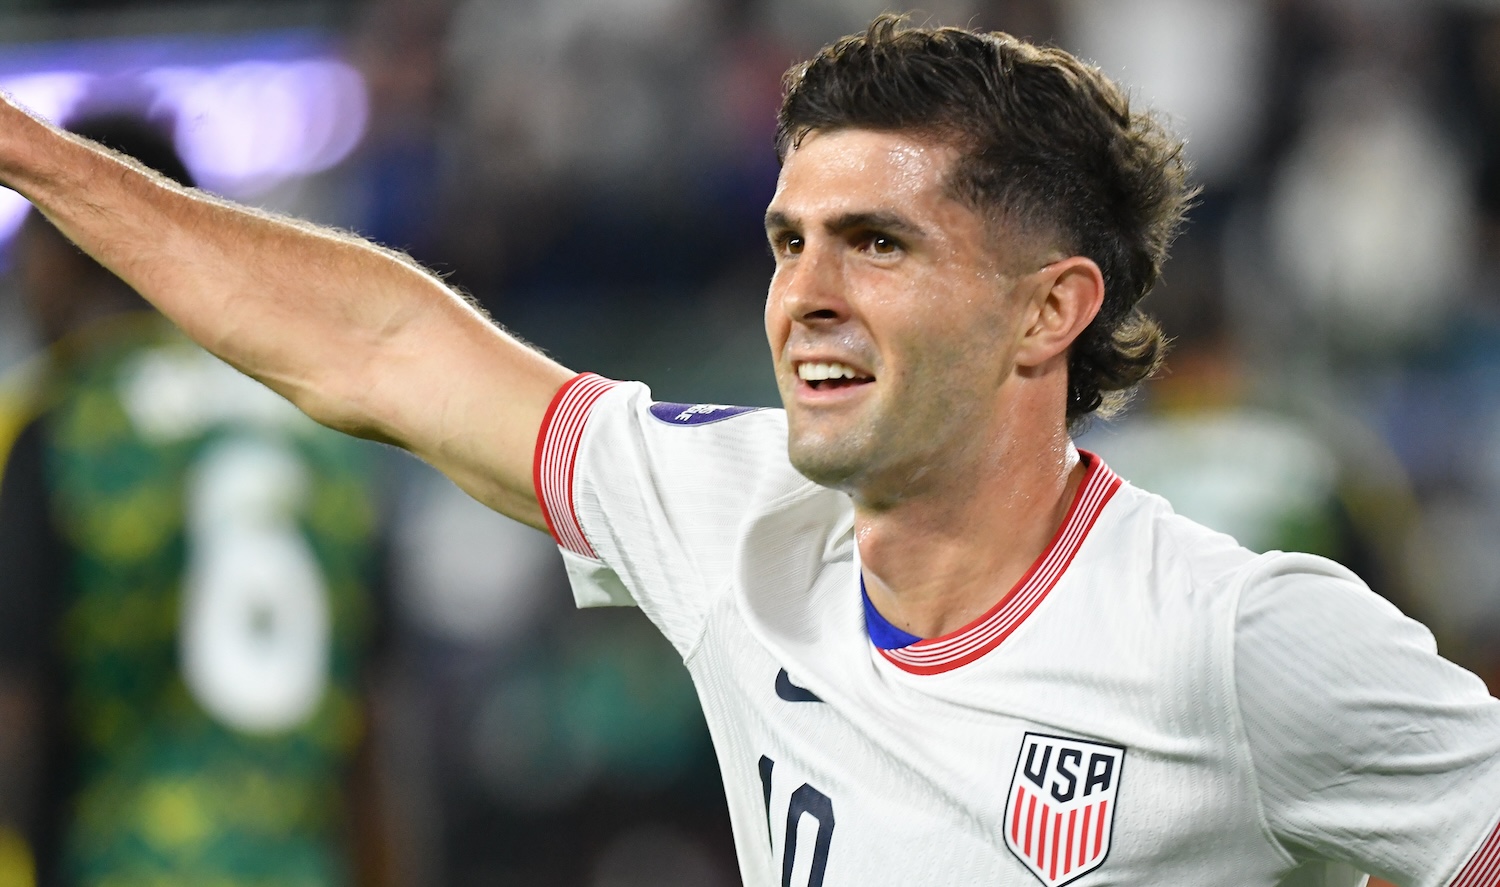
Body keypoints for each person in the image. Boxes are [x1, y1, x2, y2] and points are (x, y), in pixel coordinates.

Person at [0, 15, 1496, 887]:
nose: (806, 295)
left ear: (1052, 309)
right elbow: (383, 348)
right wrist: (37, 157)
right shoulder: (729, 508)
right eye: (791, 241)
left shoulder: (1238, 638)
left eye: (878, 243)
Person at [0, 114, 396, 887]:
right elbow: (376, 738)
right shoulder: (320, 429)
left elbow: (19, 709)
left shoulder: (62, 426)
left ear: (64, 253)